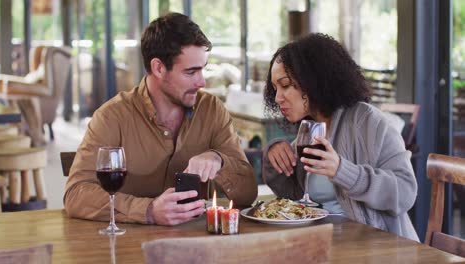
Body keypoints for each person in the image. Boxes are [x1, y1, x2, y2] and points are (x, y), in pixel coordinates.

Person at [64, 13, 257, 226]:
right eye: (191, 72)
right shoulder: (112, 117)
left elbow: (248, 193)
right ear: (158, 68)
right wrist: (147, 211)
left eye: (203, 69)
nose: (202, 81)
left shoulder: (211, 110)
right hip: (128, 249)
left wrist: (218, 159)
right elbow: (76, 195)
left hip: (197, 247)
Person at [262, 33, 419, 241]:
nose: (278, 97)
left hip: (379, 248)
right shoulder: (310, 131)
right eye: (274, 89)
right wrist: (275, 157)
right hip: (327, 245)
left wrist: (342, 171)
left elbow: (406, 192)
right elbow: (294, 196)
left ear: (312, 80)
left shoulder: (368, 122)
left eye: (285, 85)